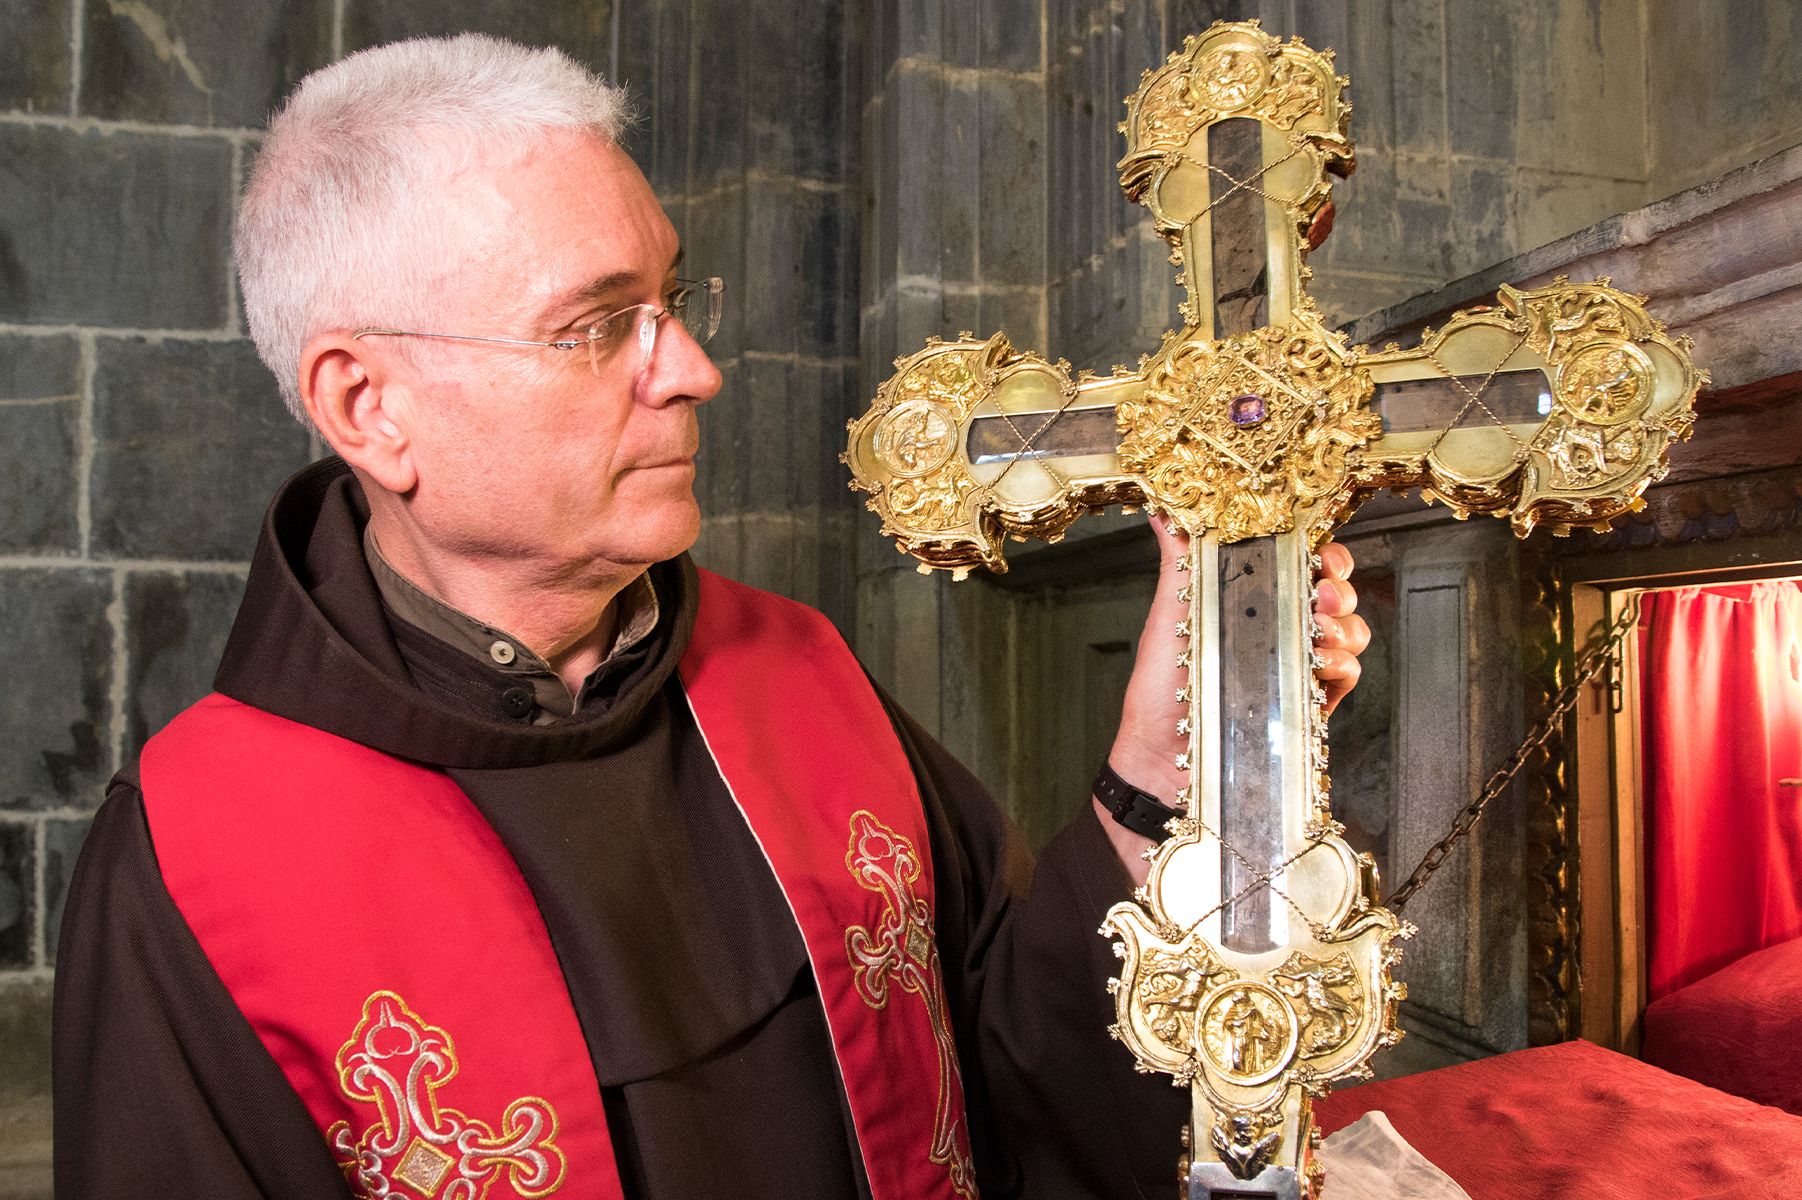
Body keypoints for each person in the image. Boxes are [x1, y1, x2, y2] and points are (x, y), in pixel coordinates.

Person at [51, 34, 1371, 1200]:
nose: (690, 369)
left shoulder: (795, 672)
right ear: (370, 408)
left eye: (672, 301)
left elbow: (1020, 1078)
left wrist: (1155, 770)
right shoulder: (195, 867)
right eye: (593, 327)